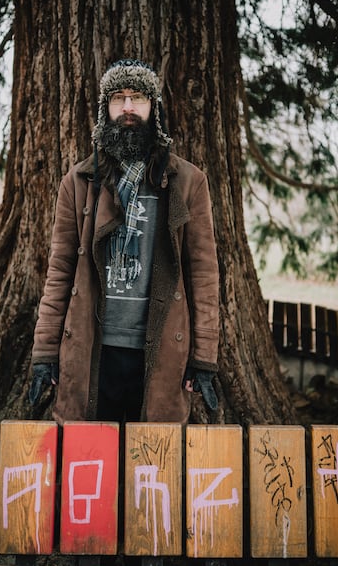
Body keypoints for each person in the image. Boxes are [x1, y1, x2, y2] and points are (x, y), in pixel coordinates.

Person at [29, 58, 219, 424]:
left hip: (162, 354)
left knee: (150, 469)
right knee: (89, 468)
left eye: (138, 97)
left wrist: (204, 359)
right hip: (91, 353)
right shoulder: (79, 182)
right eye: (118, 98)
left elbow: (204, 276)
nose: (128, 107)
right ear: (106, 110)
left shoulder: (188, 182)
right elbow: (59, 273)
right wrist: (44, 354)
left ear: (154, 108)